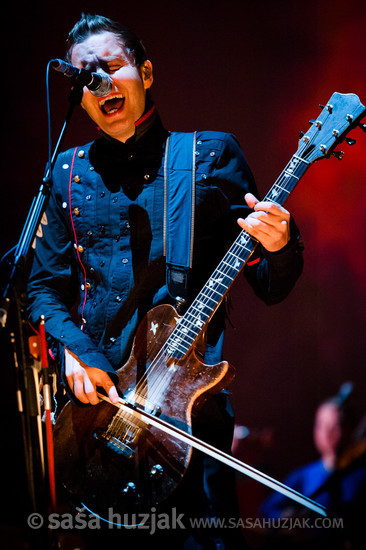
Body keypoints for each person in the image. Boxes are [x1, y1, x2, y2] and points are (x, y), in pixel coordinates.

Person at [27, 13, 304, 549]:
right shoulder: (64, 174)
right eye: (85, 77)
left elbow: (272, 284)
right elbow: (43, 287)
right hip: (96, 428)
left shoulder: (209, 157)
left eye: (112, 67)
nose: (100, 83)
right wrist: (75, 351)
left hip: (192, 431)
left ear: (146, 73)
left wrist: (279, 243)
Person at [262, 383, 366, 549]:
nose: (327, 433)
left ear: (350, 428)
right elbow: (267, 511)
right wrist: (285, 518)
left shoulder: (361, 474)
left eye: (335, 426)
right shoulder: (303, 476)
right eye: (321, 425)